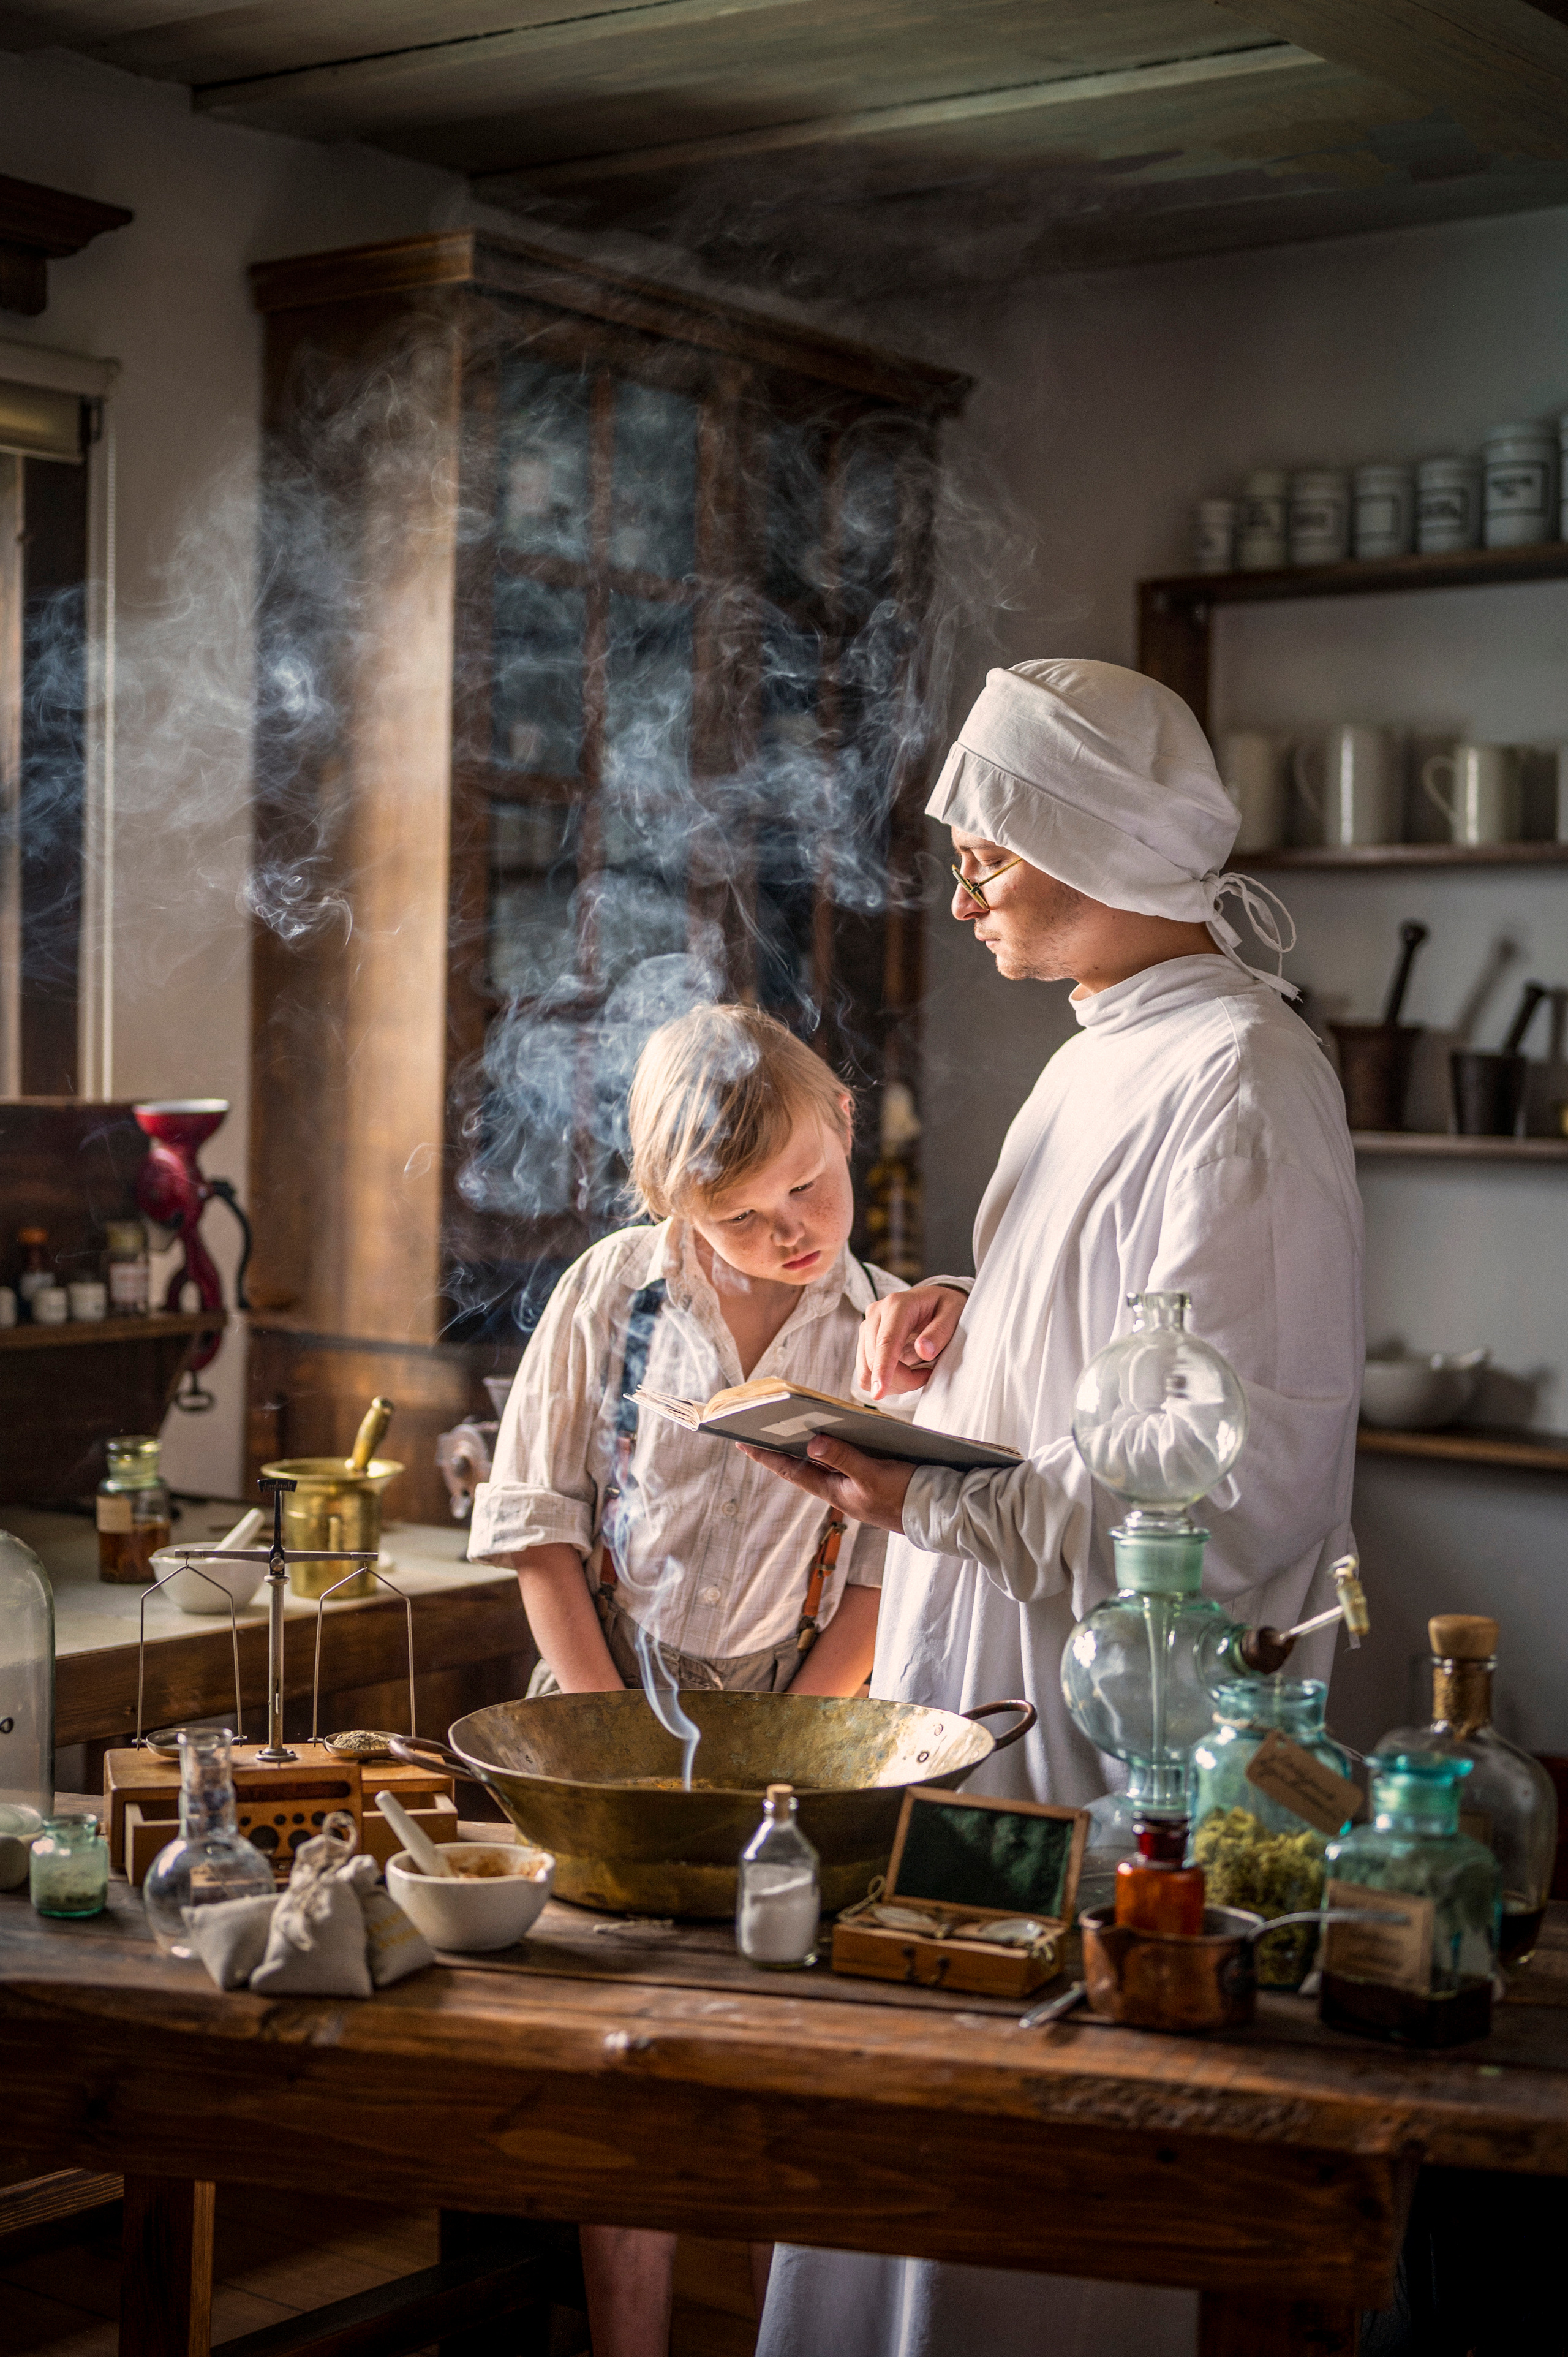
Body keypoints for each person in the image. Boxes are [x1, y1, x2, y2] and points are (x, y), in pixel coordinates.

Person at [741, 658, 1365, 2357]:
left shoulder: (1242, 1076)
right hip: (978, 1710)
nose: (960, 891)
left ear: (1086, 844)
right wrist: (964, 1325)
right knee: (908, 2173)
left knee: (1029, 2243)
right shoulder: (1105, 1053)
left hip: (1099, 1746)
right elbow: (1121, 1360)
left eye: (988, 852)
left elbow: (1220, 1505)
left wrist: (918, 1496)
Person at [469, 1000, 905, 2357]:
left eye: (808, 1189)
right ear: (673, 1206)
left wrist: (787, 1746)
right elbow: (540, 1532)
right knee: (624, 2055)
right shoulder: (614, 1291)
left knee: (792, 2047)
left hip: (803, 1715)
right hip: (605, 1698)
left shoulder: (886, 1326)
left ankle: (785, 2329)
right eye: (738, 1218)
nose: (791, 1233)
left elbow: (887, 1581)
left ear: (844, 1125)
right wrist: (617, 1740)